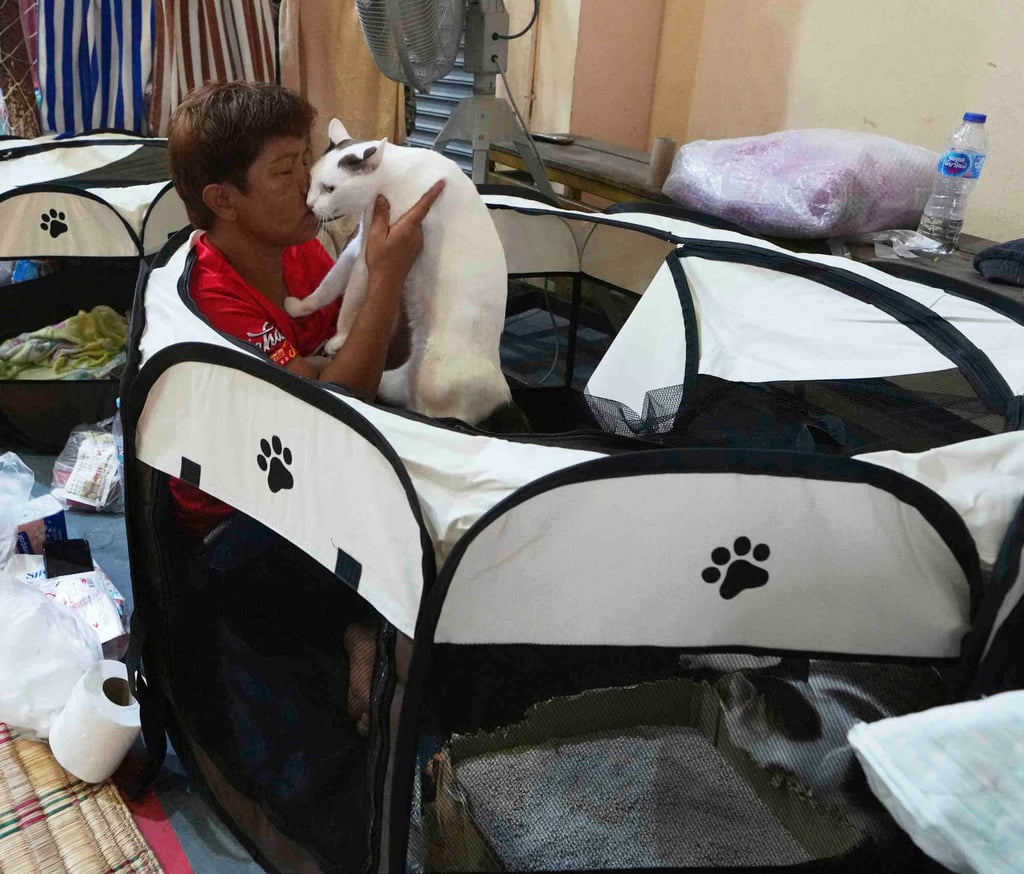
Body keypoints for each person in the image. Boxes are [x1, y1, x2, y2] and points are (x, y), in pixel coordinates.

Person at [165, 81, 443, 737]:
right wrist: (381, 286)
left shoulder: (298, 248)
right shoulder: (213, 294)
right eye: (287, 171)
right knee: (404, 509)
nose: (310, 181)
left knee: (440, 445)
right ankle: (363, 631)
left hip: (312, 465)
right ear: (222, 201)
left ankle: (368, 626)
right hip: (239, 525)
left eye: (308, 160)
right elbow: (339, 399)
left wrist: (383, 279)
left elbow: (366, 363)